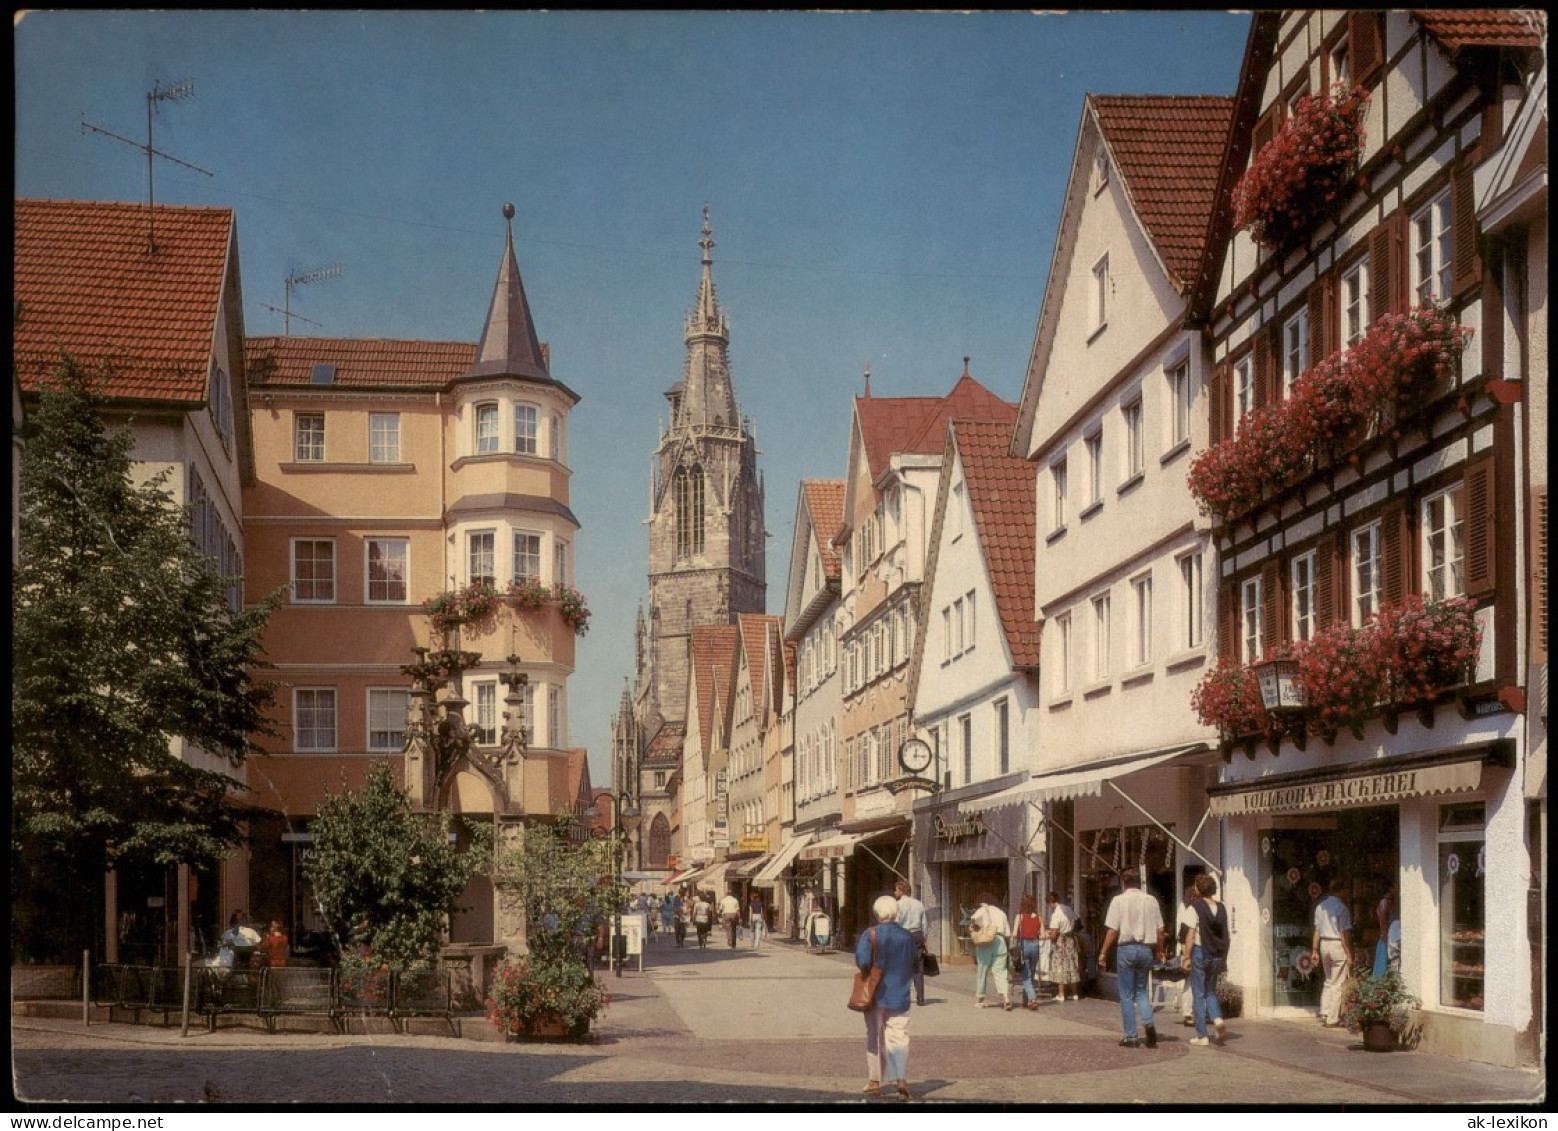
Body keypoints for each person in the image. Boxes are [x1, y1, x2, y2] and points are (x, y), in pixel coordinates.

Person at [855, 894, 918, 1102]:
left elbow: (862, 961)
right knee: (899, 1037)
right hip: (900, 994)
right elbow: (915, 964)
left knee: (874, 1035)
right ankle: (900, 1079)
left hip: (874, 995)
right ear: (895, 913)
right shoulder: (907, 936)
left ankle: (875, 1080)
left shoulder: (870, 934)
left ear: (877, 913)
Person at [1097, 871, 1165, 1049]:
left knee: (1126, 994)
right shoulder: (1151, 900)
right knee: (1141, 990)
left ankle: (1131, 1036)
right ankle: (1149, 1025)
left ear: (1122, 883)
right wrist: (1159, 950)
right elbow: (1160, 930)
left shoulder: (1118, 901)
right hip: (1145, 949)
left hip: (1126, 948)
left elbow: (1112, 930)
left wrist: (1103, 952)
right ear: (1138, 882)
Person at [1182, 872, 1230, 1047]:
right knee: (1210, 991)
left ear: (1197, 888)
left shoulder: (1194, 907)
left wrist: (1186, 956)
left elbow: (1191, 934)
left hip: (1200, 953)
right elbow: (1226, 934)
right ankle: (1217, 1020)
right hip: (1217, 955)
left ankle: (1202, 1035)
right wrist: (1224, 957)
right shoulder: (1222, 908)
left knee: (1198, 993)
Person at [1311, 877, 1353, 1026]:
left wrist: (1314, 950)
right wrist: (1348, 954)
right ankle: (1333, 1018)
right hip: (1336, 944)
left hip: (1324, 944)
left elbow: (1317, 930)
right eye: (1345, 890)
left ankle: (1325, 1011)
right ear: (1341, 890)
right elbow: (1344, 934)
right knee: (1337, 982)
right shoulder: (1342, 908)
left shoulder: (1320, 906)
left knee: (1328, 980)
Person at [968, 892, 1011, 1011]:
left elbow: (974, 919)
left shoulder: (983, 909)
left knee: (982, 969)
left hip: (986, 941)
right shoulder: (1001, 913)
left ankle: (981, 1000)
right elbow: (1007, 932)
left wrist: (974, 927)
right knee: (1000, 971)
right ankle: (1006, 998)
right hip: (1000, 941)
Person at [892, 880, 928, 1007]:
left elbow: (896, 922)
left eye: (896, 889)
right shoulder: (919, 904)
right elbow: (924, 924)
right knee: (918, 967)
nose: (894, 892)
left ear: (901, 891)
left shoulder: (897, 905)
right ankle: (921, 997)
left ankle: (903, 995)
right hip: (917, 934)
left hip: (903, 934)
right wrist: (924, 939)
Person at [1010, 895, 1045, 1010]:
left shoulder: (1019, 917)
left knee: (1026, 975)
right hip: (1035, 946)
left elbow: (1015, 934)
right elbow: (1043, 935)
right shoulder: (1039, 917)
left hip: (1024, 946)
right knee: (1031, 974)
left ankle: (1032, 999)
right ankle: (1025, 1001)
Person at [1045, 891, 1081, 1003]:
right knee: (1072, 964)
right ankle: (1075, 993)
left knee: (1060, 966)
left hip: (1061, 942)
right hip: (1070, 939)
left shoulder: (1056, 915)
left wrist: (1048, 935)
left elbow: (1054, 933)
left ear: (1050, 903)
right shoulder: (1067, 909)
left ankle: (1061, 994)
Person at [1175, 886, 1200, 1026]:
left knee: (1195, 983)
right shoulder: (1188, 913)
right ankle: (1188, 1013)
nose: (1194, 899)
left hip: (1200, 952)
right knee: (1190, 983)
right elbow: (1182, 936)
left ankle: (1197, 1012)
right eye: (1192, 897)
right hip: (1191, 952)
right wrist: (1186, 956)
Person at [1374, 883, 1397, 975]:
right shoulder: (1384, 902)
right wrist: (1386, 939)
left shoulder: (1390, 902)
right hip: (1385, 938)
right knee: (1382, 968)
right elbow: (1382, 923)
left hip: (1387, 937)